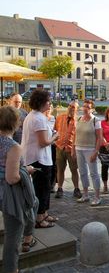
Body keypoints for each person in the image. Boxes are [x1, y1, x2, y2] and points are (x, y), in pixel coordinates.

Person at [0, 106, 39, 273]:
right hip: (8, 194)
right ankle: (11, 269)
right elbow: (12, 178)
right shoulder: (13, 146)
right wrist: (26, 170)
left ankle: (29, 236)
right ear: (16, 124)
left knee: (34, 203)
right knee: (12, 237)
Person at [21, 89, 59, 228]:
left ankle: (44, 213)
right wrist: (55, 136)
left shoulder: (33, 116)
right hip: (40, 159)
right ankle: (39, 218)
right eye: (48, 101)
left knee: (44, 187)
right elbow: (43, 142)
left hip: (35, 157)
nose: (50, 103)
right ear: (42, 102)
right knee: (42, 188)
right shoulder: (38, 118)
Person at [73, 100, 102, 206]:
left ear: (92, 109)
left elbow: (99, 138)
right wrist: (73, 149)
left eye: (88, 107)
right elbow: (75, 135)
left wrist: (96, 152)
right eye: (84, 106)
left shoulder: (96, 120)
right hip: (79, 149)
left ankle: (97, 197)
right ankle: (85, 195)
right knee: (82, 172)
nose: (85, 108)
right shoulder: (79, 119)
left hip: (90, 149)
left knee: (93, 173)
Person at [53, 101, 81, 199]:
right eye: (70, 106)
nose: (71, 108)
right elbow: (55, 129)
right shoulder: (60, 117)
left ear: (77, 109)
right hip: (60, 147)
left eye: (73, 107)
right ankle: (60, 188)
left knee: (74, 170)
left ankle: (76, 188)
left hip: (71, 149)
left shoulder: (78, 120)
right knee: (60, 169)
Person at [44, 104, 57, 192]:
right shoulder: (41, 119)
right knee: (46, 164)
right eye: (47, 108)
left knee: (54, 164)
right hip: (44, 145)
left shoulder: (54, 118)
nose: (48, 110)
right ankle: (46, 183)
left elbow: (57, 130)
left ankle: (53, 184)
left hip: (53, 144)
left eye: (50, 108)